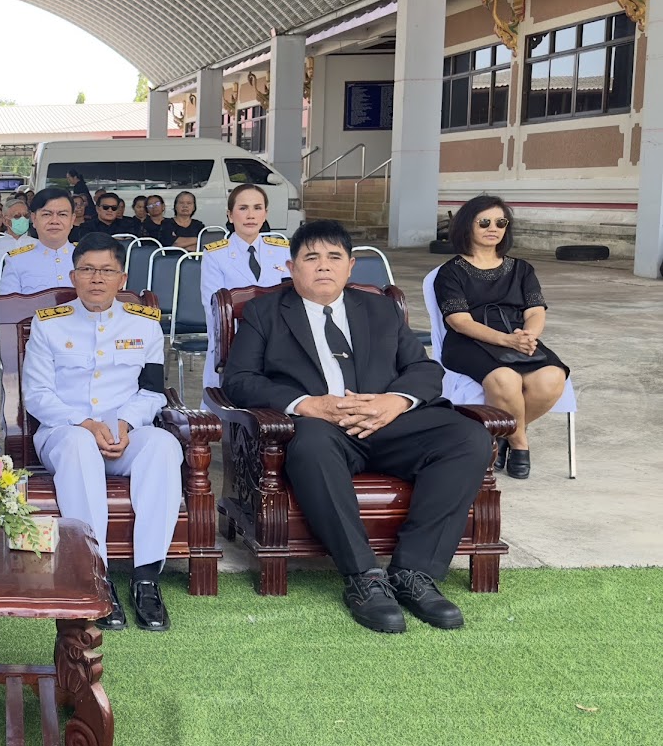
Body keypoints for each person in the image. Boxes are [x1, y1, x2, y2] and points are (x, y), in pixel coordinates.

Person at [223, 220, 493, 634]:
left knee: (469, 437)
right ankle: (364, 577)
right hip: (321, 428)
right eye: (311, 258)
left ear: (351, 267)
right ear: (292, 268)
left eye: (334, 258)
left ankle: (413, 572)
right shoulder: (265, 312)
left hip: (388, 423)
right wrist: (307, 404)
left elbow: (423, 369)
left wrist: (394, 401)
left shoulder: (380, 308)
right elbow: (239, 379)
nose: (323, 267)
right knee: (310, 446)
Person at [23, 232, 181, 632]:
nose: (97, 278)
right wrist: (86, 424)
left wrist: (125, 424)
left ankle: (146, 576)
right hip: (64, 433)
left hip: (123, 435)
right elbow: (37, 395)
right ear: (74, 276)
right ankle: (97, 574)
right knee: (79, 444)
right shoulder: (48, 325)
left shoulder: (144, 327)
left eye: (106, 271)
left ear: (121, 278)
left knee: (163, 445)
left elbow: (151, 391)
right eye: (88, 270)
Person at [433, 195, 569, 479]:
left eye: (500, 222)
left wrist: (528, 335)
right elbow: (460, 322)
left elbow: (535, 311)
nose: (492, 228)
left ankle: (499, 436)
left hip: (517, 335)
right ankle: (520, 442)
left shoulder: (522, 270)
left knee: (553, 377)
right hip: (469, 341)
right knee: (506, 378)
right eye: (484, 222)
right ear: (467, 226)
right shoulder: (450, 272)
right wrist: (507, 341)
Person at [200, 183, 292, 392]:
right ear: (230, 215)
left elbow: (291, 300)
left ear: (265, 214)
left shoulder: (282, 251)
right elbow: (213, 309)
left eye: (257, 208)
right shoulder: (215, 254)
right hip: (235, 341)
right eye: (243, 208)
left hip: (278, 343)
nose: (251, 215)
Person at [0, 187, 77, 294]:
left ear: (72, 220)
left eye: (62, 214)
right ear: (34, 219)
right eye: (46, 214)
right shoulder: (16, 262)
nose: (54, 221)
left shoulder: (88, 258)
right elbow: (9, 307)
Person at [0, 199, 35, 294]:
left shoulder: (38, 245)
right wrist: (6, 291)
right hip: (2, 298)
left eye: (26, 216)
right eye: (17, 216)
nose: (23, 219)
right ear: (5, 221)